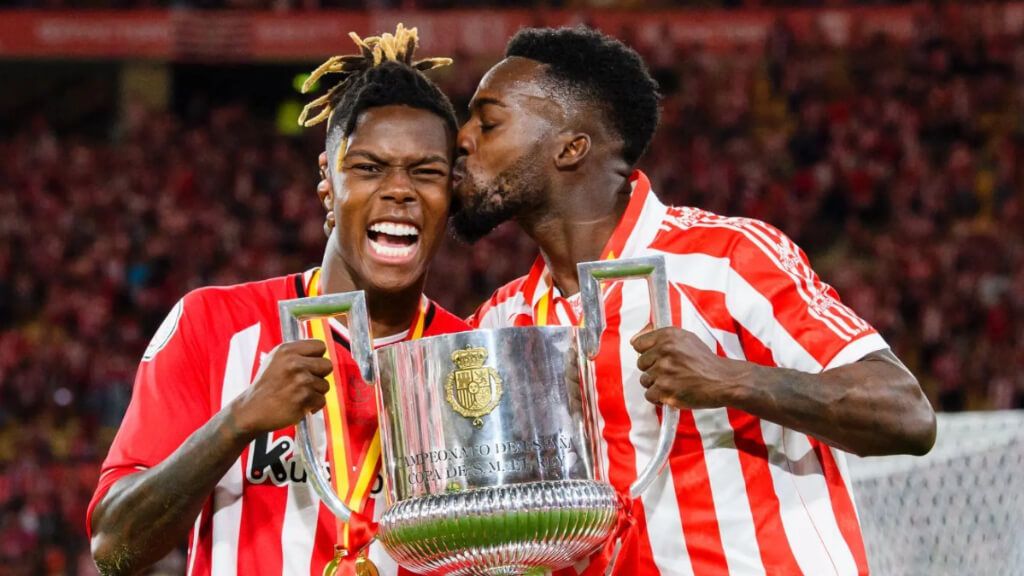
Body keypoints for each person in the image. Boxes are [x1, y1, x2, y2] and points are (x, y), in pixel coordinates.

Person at [449, 26, 936, 575]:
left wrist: (732, 379)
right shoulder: (502, 322)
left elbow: (905, 414)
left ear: (571, 147)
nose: (462, 139)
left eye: (487, 122)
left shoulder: (728, 260)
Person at [87, 25, 467, 575]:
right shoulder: (214, 325)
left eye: (426, 172)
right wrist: (237, 422)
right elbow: (114, 551)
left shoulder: (469, 356)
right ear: (327, 185)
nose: (400, 190)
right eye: (369, 168)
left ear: (450, 193)